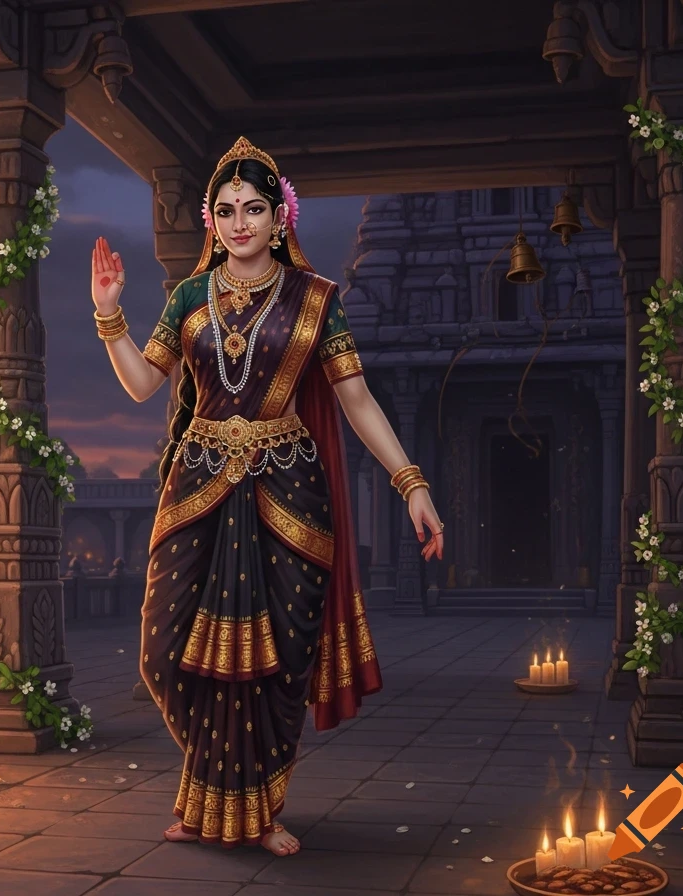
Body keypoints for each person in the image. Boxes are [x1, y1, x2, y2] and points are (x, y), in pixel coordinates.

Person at [89, 137, 445, 857]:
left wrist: (411, 483)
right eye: (227, 210)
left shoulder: (316, 300)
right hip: (197, 492)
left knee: (278, 664)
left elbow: (356, 399)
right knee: (164, 652)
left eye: (255, 208)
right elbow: (139, 383)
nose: (241, 223)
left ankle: (258, 808)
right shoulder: (188, 297)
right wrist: (108, 314)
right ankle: (212, 789)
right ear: (210, 220)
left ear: (280, 217)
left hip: (288, 493)